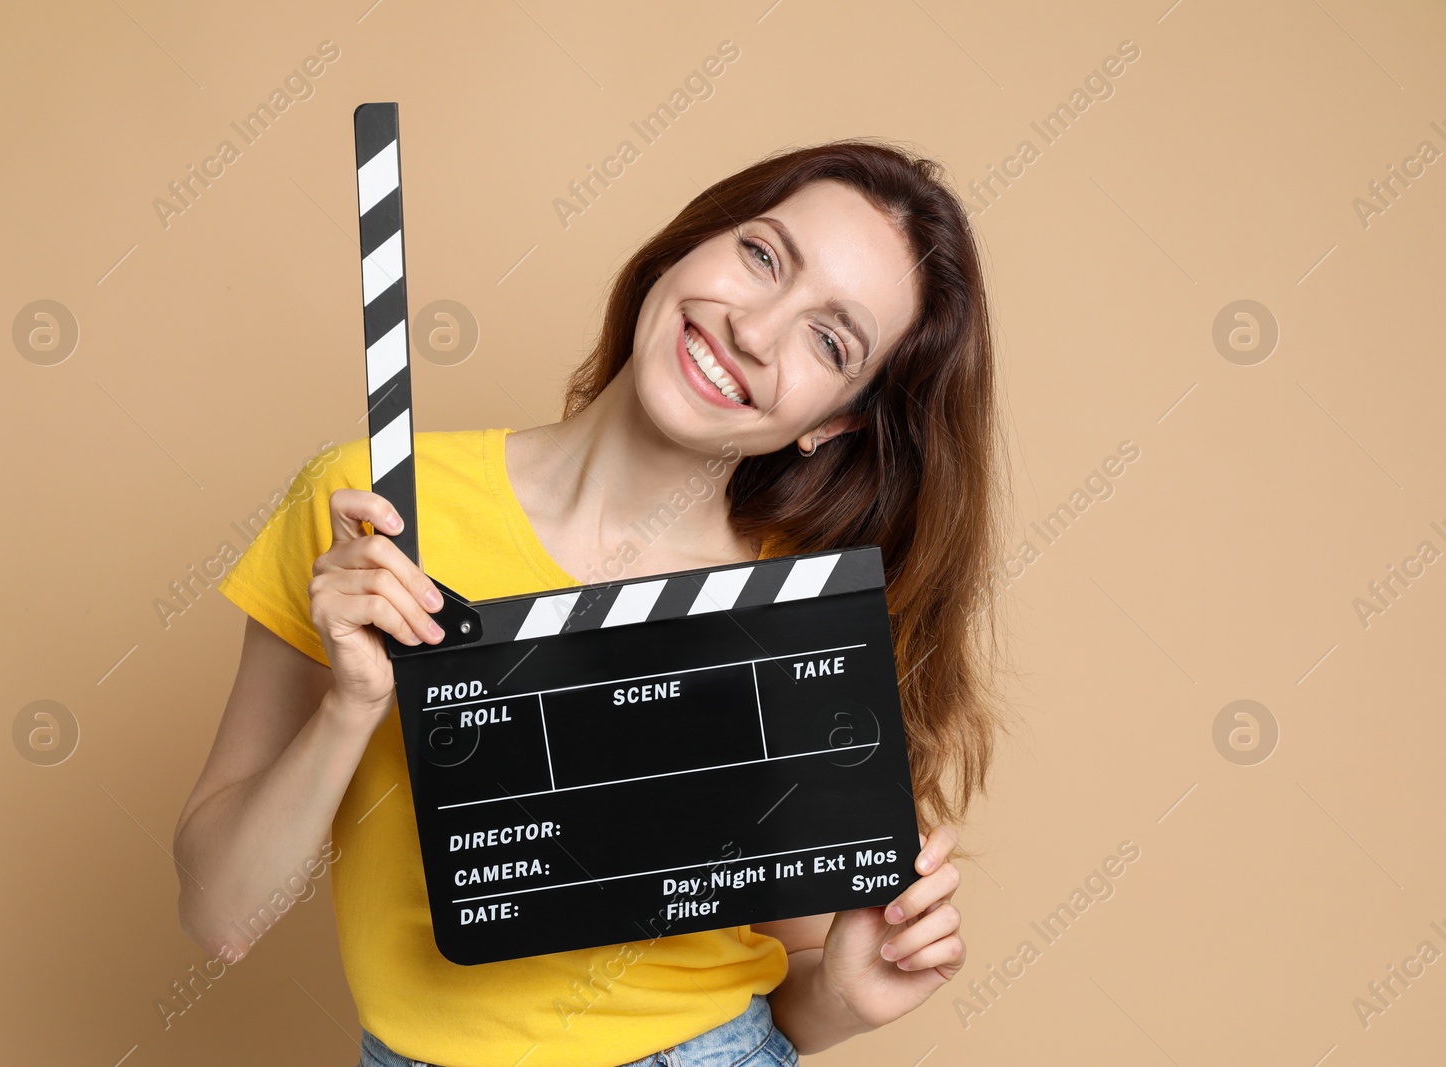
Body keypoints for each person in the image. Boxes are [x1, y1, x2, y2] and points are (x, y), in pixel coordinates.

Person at [173, 137, 1009, 1066]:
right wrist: (351, 707)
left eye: (828, 339)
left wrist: (846, 997)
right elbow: (220, 913)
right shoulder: (375, 511)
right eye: (763, 256)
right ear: (688, 244)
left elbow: (797, 983)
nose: (755, 330)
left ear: (835, 422)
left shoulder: (790, 614)